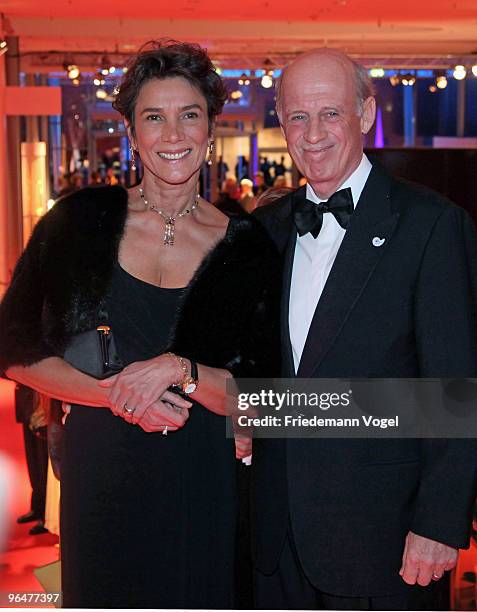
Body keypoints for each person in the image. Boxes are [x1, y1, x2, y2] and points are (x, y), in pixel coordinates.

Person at [0, 40, 280, 609]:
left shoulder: (247, 246)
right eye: (154, 117)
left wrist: (182, 372)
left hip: (204, 483)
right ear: (131, 131)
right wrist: (116, 397)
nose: (172, 135)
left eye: (189, 116)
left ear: (209, 128)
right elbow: (14, 346)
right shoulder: (80, 223)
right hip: (102, 479)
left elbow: (263, 397)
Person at [253, 48, 477, 610]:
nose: (313, 134)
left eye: (330, 113)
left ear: (367, 114)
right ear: (281, 122)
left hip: (387, 541)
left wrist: (441, 523)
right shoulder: (265, 229)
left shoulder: (431, 225)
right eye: (298, 117)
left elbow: (457, 388)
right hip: (275, 540)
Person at [14, 384, 48, 536]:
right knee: (33, 462)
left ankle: (46, 515)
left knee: (44, 463)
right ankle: (37, 507)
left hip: (44, 403)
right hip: (28, 401)